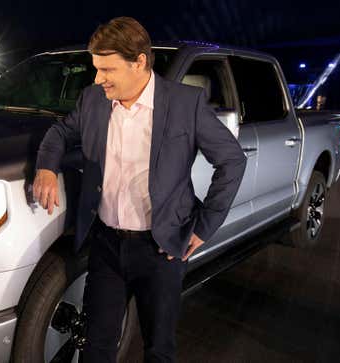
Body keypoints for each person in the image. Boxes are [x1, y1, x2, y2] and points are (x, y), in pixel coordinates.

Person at [33, 17, 247, 362]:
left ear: (139, 63)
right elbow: (60, 133)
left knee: (158, 349)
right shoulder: (93, 100)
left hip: (161, 249)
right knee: (96, 346)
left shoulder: (185, 104)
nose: (98, 78)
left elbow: (232, 161)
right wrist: (46, 167)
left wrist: (205, 226)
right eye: (96, 69)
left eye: (107, 69)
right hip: (106, 245)